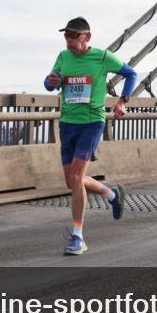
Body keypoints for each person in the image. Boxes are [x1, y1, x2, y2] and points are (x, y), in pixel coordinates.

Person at [44, 17, 136, 255]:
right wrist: (50, 81)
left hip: (92, 122)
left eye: (74, 36)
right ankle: (111, 194)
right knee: (71, 181)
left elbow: (131, 73)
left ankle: (78, 237)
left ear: (87, 37)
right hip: (67, 123)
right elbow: (50, 83)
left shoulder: (103, 58)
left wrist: (122, 101)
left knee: (75, 176)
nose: (69, 40)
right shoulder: (63, 57)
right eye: (66, 36)